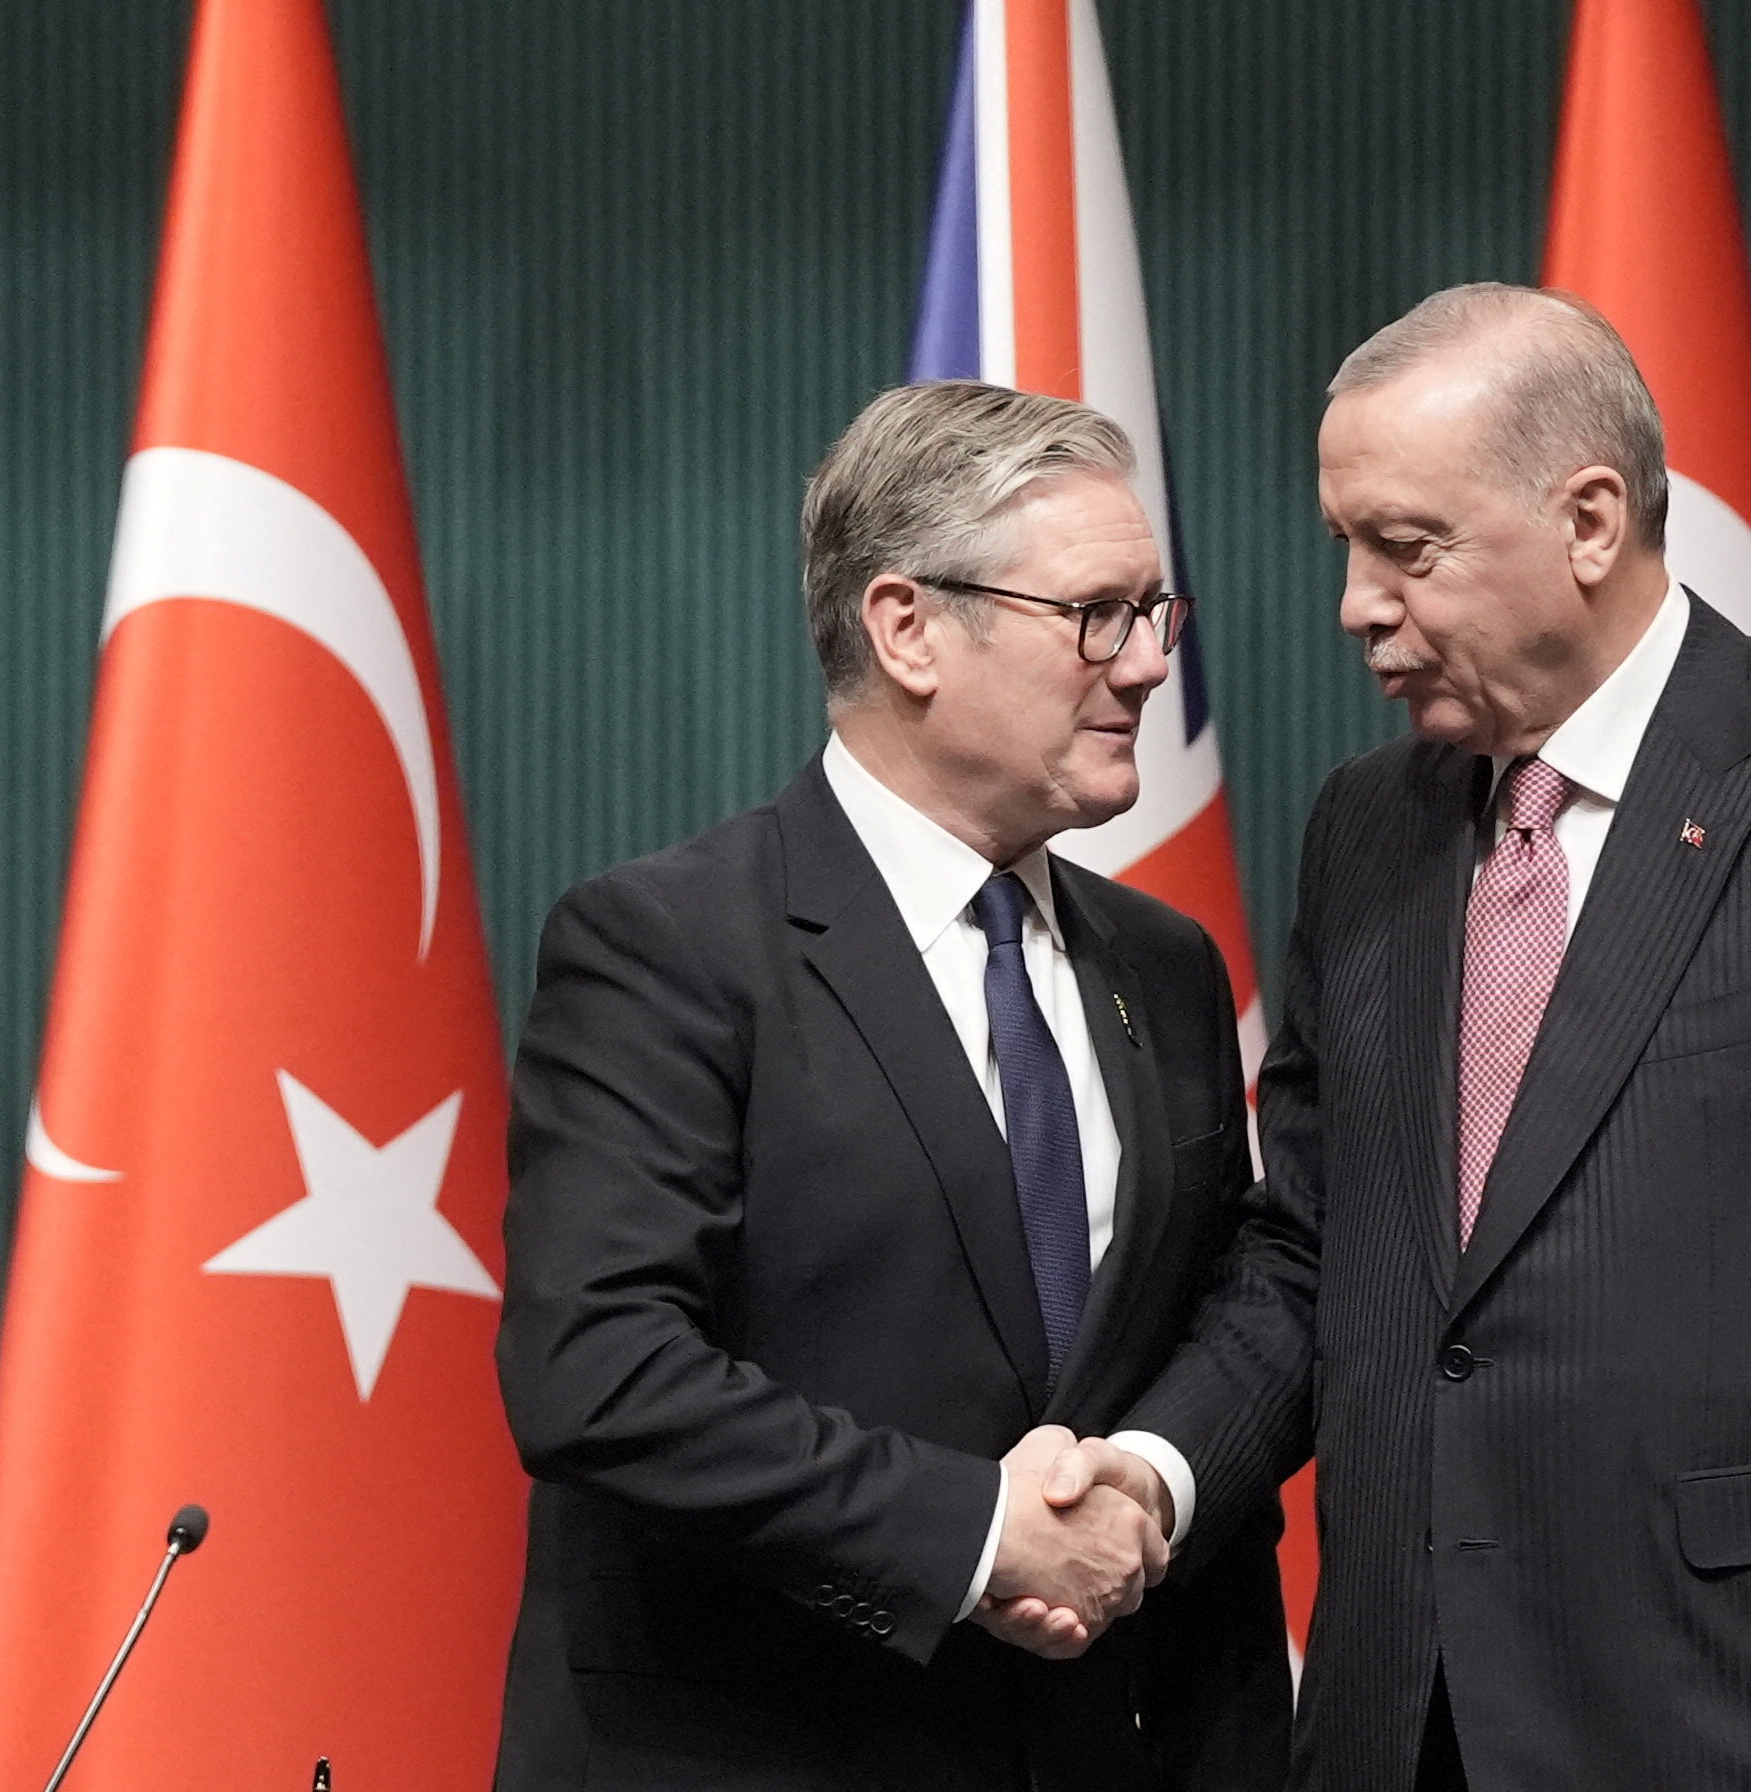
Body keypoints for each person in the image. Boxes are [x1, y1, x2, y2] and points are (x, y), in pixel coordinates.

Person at [1035, 285, 1751, 1789]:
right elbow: (1311, 1252)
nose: (1356, 602)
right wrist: (1151, 1479)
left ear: (1593, 520)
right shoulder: (1368, 830)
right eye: (1346, 547)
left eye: (1405, 548)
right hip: (1399, 1728)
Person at [490, 380, 1289, 1790]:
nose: (1149, 664)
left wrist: (1145, 1487)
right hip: (768, 1748)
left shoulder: (1162, 967)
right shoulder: (668, 946)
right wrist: (976, 1535)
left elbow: (1234, 1307)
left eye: (1153, 612)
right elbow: (598, 1373)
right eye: (1094, 614)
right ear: (907, 624)